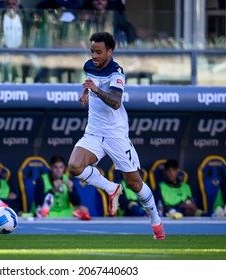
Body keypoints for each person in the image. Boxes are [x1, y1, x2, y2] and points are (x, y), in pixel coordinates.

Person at [67, 32, 165, 239]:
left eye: (99, 52)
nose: (94, 55)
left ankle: (156, 221)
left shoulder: (116, 73)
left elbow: (116, 101)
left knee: (135, 183)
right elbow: (90, 81)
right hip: (93, 131)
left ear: (110, 52)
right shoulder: (89, 66)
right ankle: (112, 189)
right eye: (92, 51)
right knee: (75, 166)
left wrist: (95, 89)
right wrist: (86, 92)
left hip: (115, 135)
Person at [34, 155, 90, 220]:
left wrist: (71, 190)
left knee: (84, 210)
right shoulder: (42, 179)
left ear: (64, 169)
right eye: (55, 167)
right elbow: (38, 202)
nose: (58, 170)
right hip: (47, 213)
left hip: (64, 213)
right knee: (40, 212)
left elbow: (77, 203)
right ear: (51, 168)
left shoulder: (67, 179)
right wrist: (53, 190)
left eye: (61, 167)